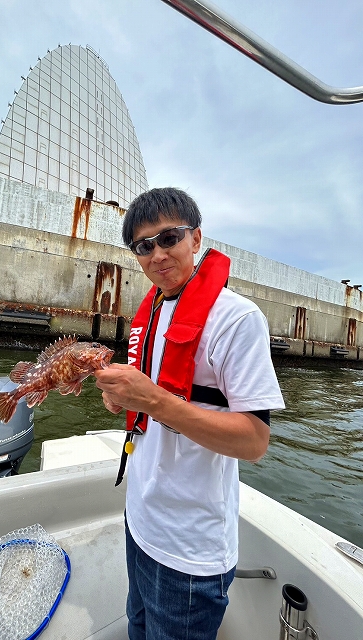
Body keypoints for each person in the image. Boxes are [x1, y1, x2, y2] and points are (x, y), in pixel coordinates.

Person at [94, 187, 285, 640]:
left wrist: (157, 402)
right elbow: (151, 399)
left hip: (188, 552)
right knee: (136, 628)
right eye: (143, 246)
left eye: (169, 238)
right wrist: (121, 398)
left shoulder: (237, 319)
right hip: (139, 522)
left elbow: (254, 441)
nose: (157, 254)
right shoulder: (153, 313)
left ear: (195, 238)